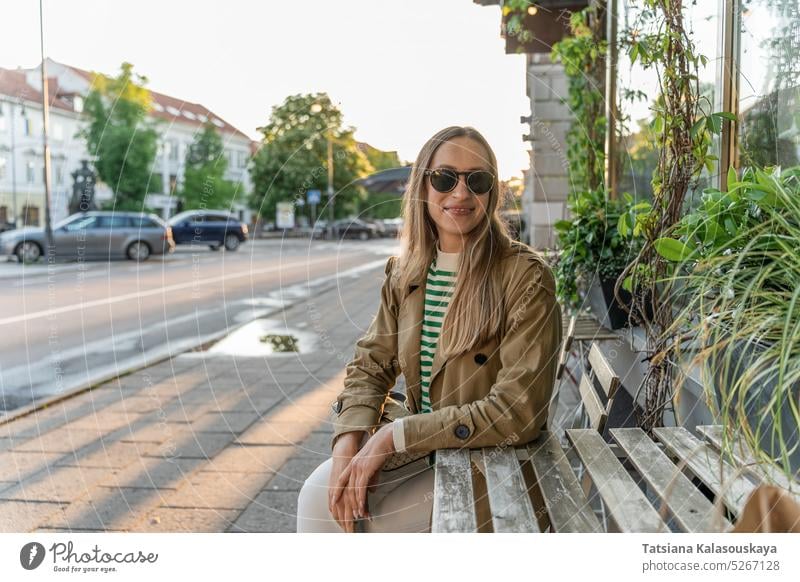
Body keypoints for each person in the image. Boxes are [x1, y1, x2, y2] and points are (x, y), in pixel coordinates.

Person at [297, 126, 563, 533]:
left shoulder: (524, 277)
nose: (460, 193)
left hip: (491, 462)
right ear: (422, 185)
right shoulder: (407, 272)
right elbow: (371, 364)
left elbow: (516, 411)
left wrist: (392, 437)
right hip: (429, 454)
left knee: (337, 520)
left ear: (492, 191)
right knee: (317, 496)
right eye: (444, 178)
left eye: (477, 180)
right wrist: (348, 438)